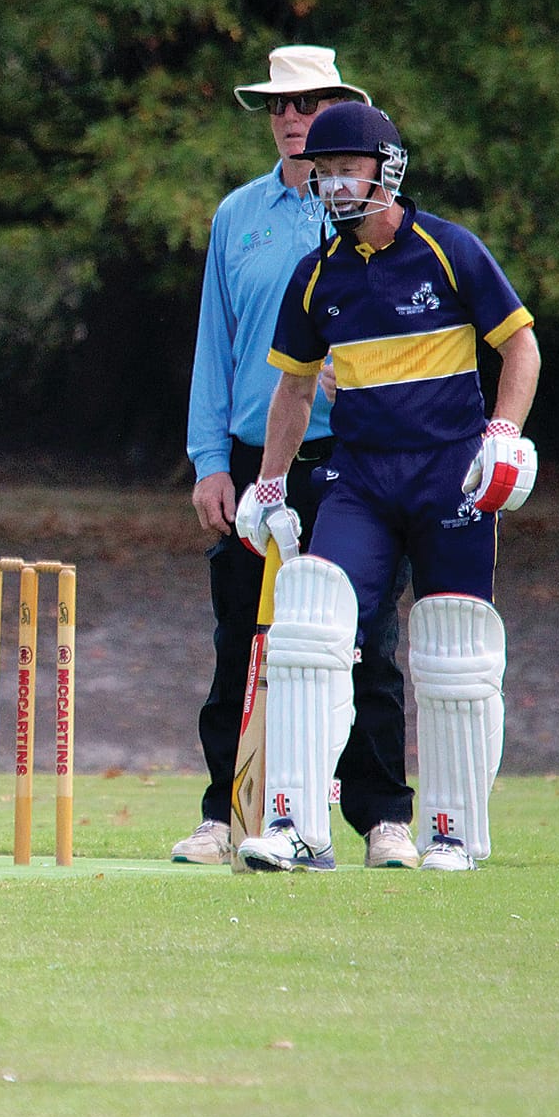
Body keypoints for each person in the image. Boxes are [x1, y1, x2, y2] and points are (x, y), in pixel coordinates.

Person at [235, 101, 539, 872]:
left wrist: (503, 433)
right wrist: (270, 486)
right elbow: (295, 392)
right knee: (310, 619)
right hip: (361, 480)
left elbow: (522, 347)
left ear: (387, 168)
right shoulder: (317, 277)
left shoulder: (448, 249)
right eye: (323, 171)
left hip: (451, 477)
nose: (334, 184)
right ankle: (298, 826)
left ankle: (451, 830)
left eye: (348, 168)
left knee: (453, 644)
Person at [178, 45, 416, 869]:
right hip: (256, 455)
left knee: (366, 637)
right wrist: (211, 460)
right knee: (241, 635)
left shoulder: (369, 215)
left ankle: (383, 815)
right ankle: (227, 811)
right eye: (279, 106)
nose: (290, 118)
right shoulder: (236, 215)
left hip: (353, 455)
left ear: (339, 116)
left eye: (308, 104)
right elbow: (217, 343)